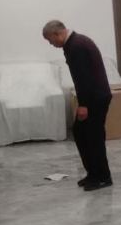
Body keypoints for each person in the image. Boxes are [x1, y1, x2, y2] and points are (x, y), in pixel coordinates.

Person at [42, 20, 113, 191]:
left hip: (95, 98)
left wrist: (84, 105)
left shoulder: (76, 46)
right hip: (95, 96)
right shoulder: (74, 43)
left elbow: (84, 78)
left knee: (93, 137)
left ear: (57, 34)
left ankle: (103, 177)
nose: (51, 44)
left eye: (50, 40)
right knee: (82, 134)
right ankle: (93, 174)